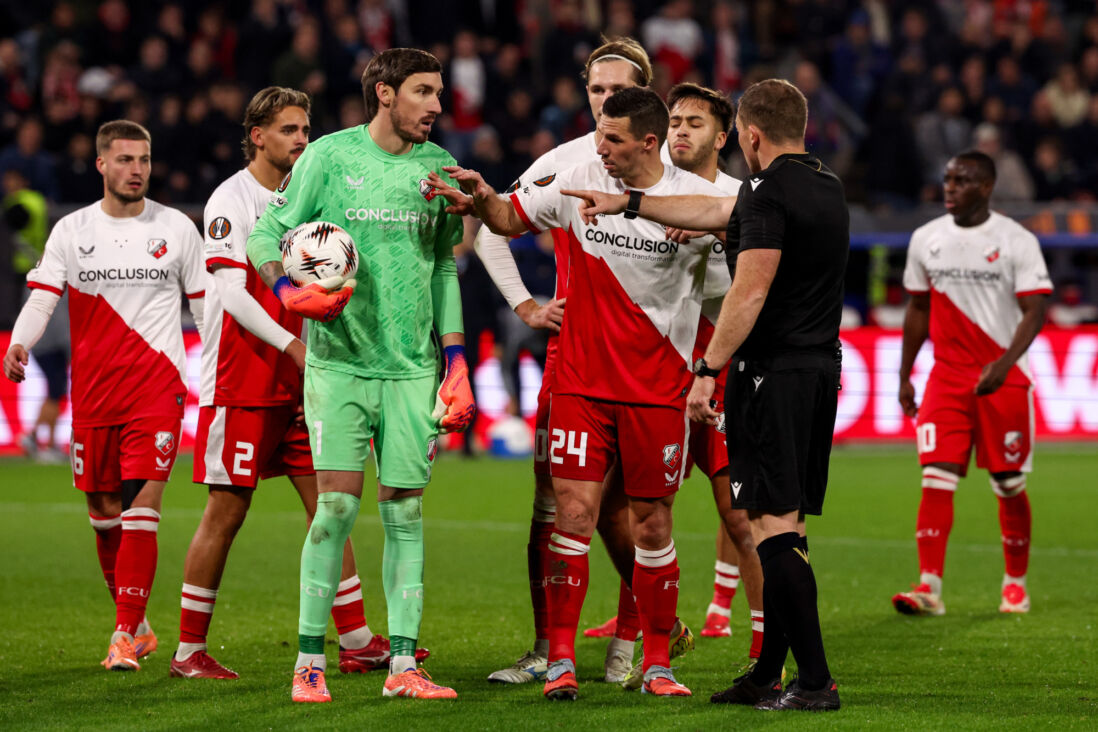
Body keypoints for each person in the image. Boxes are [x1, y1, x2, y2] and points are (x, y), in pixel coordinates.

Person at [432, 85, 730, 700]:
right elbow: (510, 219)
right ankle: (561, 662)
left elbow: (728, 295)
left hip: (657, 391)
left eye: (614, 138)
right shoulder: (573, 178)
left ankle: (657, 665)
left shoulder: (697, 204)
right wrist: (484, 198)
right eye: (599, 132)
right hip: (582, 387)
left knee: (651, 525)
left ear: (650, 142)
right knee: (571, 517)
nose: (601, 146)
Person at [564, 78, 847, 711]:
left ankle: (816, 681)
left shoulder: (767, 193)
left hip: (770, 375)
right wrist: (631, 205)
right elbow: (717, 212)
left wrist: (708, 368)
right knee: (787, 525)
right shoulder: (825, 185)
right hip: (818, 370)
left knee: (774, 531)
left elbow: (748, 292)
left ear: (747, 134)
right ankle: (768, 673)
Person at [245, 48, 473, 704]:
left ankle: (404, 664)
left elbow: (442, 268)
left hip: (410, 369)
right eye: (424, 92)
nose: (436, 106)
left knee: (406, 512)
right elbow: (267, 233)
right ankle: (309, 662)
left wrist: (454, 362)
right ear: (384, 92)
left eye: (438, 93)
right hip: (340, 362)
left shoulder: (438, 170)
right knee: (337, 506)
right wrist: (289, 289)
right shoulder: (329, 157)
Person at [174, 87, 420, 679]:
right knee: (226, 509)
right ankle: (188, 651)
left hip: (309, 378)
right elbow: (229, 292)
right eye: (289, 130)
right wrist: (290, 345)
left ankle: (357, 639)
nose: (302, 139)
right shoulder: (231, 199)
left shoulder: (311, 193)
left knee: (332, 504)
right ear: (257, 135)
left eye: (306, 129)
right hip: (245, 379)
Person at [470, 37, 686, 688]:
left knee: (632, 513)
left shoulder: (681, 182)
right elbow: (492, 226)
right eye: (596, 90)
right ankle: (547, 648)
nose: (604, 102)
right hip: (575, 365)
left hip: (654, 371)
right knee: (558, 507)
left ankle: (636, 639)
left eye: (618, 92)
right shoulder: (563, 164)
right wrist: (526, 305)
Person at [3, 120, 206, 672]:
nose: (136, 169)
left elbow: (205, 308)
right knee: (103, 511)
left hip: (157, 388)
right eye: (124, 160)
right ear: (101, 165)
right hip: (93, 392)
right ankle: (137, 625)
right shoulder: (72, 230)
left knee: (143, 506)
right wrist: (20, 342)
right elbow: (44, 297)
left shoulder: (177, 229)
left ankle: (121, 633)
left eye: (143, 159)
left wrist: (210, 376)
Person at [582, 83, 765, 662]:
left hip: (723, 365)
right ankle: (653, 618)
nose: (684, 130)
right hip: (659, 366)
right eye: (677, 120)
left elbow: (764, 283)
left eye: (696, 122)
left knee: (741, 518)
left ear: (723, 136)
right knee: (615, 510)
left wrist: (718, 230)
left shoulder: (742, 199)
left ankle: (768, 648)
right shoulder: (644, 190)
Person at [891, 151, 1051, 618]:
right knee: (935, 477)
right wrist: (904, 374)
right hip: (946, 375)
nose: (950, 187)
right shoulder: (926, 239)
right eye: (947, 179)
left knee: (1007, 482)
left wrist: (1004, 363)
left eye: (961, 180)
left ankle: (1015, 583)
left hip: (1002, 376)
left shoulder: (1015, 240)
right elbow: (917, 309)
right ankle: (929, 587)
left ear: (986, 187)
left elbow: (1035, 310)